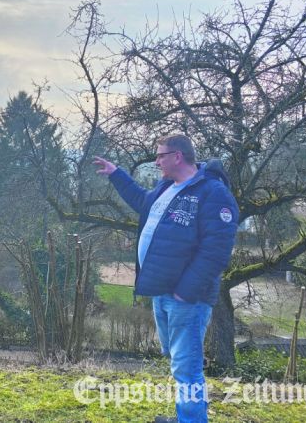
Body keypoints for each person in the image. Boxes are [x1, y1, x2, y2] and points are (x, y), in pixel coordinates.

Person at [94, 134, 238, 423]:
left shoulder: (212, 193)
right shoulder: (166, 188)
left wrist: (185, 291)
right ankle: (185, 417)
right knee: (179, 363)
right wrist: (116, 175)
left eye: (160, 155)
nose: (156, 161)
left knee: (187, 367)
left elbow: (216, 250)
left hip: (187, 299)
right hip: (163, 292)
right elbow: (140, 200)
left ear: (178, 156)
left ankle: (192, 421)